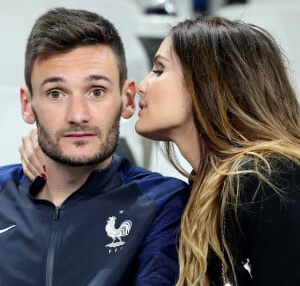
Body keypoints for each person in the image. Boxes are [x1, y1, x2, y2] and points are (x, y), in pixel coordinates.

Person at [21, 15, 300, 285]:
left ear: (206, 83)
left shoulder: (268, 180)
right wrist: (57, 160)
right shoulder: (209, 187)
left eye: (159, 70)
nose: (142, 86)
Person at [0, 7, 189, 286]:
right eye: (55, 93)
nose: (78, 115)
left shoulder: (161, 202)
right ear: (28, 105)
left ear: (127, 99)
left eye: (96, 91)